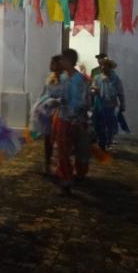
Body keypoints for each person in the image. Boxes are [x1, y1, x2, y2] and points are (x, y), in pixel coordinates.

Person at [55, 48, 91, 195]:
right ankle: (66, 178)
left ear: (69, 61)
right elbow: (62, 94)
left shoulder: (80, 79)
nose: (61, 62)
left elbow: (82, 102)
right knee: (63, 150)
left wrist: (72, 112)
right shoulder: (64, 77)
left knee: (76, 150)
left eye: (63, 59)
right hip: (64, 118)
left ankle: (74, 175)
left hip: (75, 120)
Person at [30, 55, 63, 175]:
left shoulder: (65, 79)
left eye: (53, 63)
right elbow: (44, 92)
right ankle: (48, 163)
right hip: (48, 110)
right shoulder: (50, 78)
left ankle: (62, 166)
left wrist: (57, 101)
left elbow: (66, 95)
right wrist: (39, 106)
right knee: (48, 139)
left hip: (60, 111)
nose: (51, 65)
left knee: (61, 140)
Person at [92, 59, 125, 151]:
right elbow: (93, 88)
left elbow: (120, 92)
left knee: (109, 125)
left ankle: (108, 142)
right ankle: (101, 143)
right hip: (98, 105)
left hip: (110, 106)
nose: (103, 67)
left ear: (110, 67)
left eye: (105, 65)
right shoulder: (97, 77)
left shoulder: (116, 79)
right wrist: (94, 90)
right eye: (102, 65)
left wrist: (122, 104)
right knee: (98, 125)